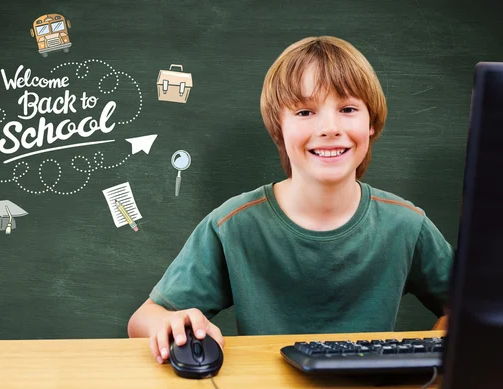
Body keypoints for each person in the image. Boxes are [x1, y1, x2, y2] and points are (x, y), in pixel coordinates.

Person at [127, 36, 454, 365]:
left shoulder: (407, 225)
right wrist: (168, 323)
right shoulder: (233, 224)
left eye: (348, 109)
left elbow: (467, 309)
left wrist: (430, 347)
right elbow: (144, 318)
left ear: (371, 124)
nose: (329, 127)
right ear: (278, 128)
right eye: (305, 111)